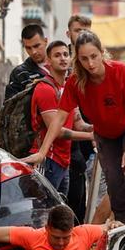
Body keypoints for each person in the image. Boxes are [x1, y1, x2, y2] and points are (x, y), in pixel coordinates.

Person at [60, 31, 125, 223]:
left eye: (94, 56)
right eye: (84, 59)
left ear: (102, 52)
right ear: (78, 59)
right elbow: (59, 117)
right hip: (105, 132)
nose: (90, 63)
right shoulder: (75, 82)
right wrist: (42, 151)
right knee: (114, 181)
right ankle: (121, 224)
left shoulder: (120, 71)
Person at [20, 40, 92, 196]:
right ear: (48, 61)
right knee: (44, 211)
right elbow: (58, 131)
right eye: (57, 55)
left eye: (66, 54)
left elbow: (79, 123)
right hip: (47, 160)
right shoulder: (44, 89)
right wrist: (91, 136)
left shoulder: (69, 88)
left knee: (58, 213)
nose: (63, 58)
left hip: (63, 161)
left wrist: (96, 128)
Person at [65, 14, 95, 222]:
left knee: (89, 198)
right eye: (78, 30)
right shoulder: (61, 58)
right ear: (69, 34)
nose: (83, 34)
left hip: (91, 138)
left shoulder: (95, 61)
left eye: (87, 30)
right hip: (69, 142)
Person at [4, 24, 50, 103]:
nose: (33, 52)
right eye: (28, 48)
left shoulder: (61, 65)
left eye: (36, 46)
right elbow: (9, 107)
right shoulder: (18, 74)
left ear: (45, 41)